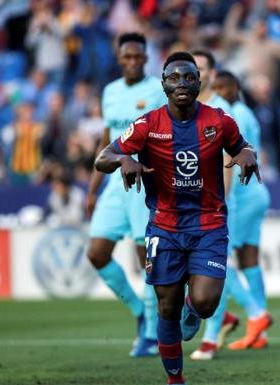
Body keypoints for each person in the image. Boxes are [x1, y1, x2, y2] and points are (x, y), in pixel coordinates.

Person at [94, 51, 261, 385]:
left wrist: (245, 155)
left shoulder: (219, 120)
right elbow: (103, 157)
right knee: (165, 307)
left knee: (206, 302)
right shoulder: (147, 125)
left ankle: (193, 308)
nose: (182, 83)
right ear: (164, 84)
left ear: (199, 83)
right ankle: (176, 379)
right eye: (175, 78)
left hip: (209, 224)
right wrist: (123, 161)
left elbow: (243, 147)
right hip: (165, 226)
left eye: (189, 77)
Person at [85, 32, 167, 358]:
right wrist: (92, 189)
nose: (132, 61)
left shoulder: (157, 91)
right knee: (96, 253)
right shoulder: (110, 92)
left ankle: (151, 334)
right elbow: (105, 142)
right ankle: (139, 311)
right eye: (127, 57)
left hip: (144, 182)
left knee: (144, 258)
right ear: (119, 60)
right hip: (114, 184)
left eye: (138, 56)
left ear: (146, 59)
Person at [190, 70, 273, 360]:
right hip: (256, 192)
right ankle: (258, 332)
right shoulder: (245, 111)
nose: (221, 91)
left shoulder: (228, 114)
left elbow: (228, 159)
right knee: (249, 258)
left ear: (236, 87)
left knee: (217, 262)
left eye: (225, 87)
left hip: (239, 194)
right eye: (217, 87)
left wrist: (220, 199)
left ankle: (250, 315)